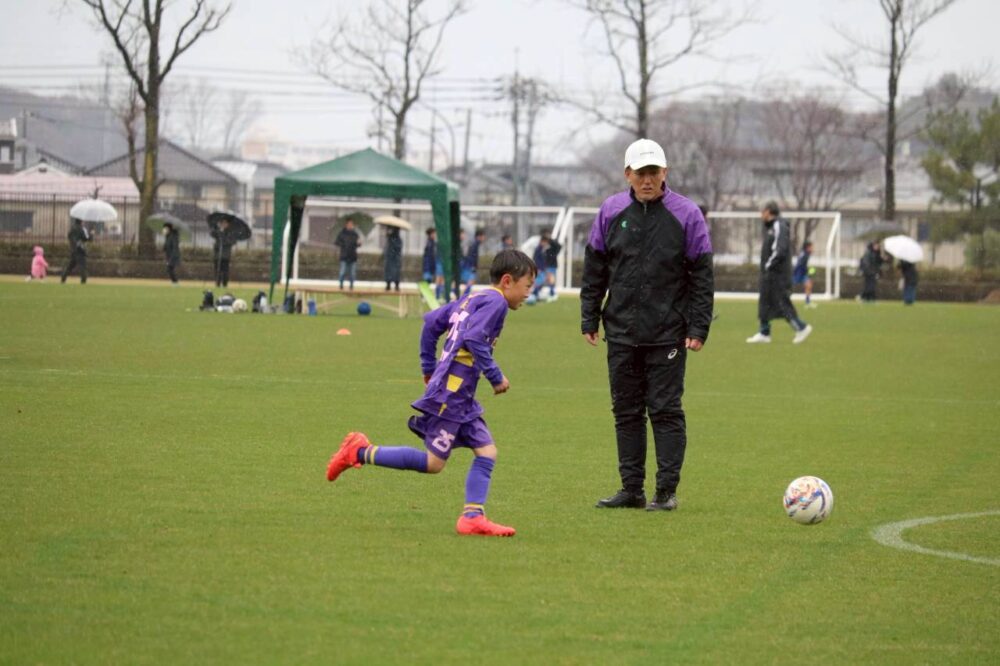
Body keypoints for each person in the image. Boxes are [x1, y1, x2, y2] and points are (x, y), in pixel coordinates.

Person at [326, 249, 537, 537]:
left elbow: (430, 323)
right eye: (527, 286)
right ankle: (360, 451)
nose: (528, 293)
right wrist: (495, 375)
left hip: (461, 396)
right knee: (433, 463)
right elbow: (474, 338)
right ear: (507, 281)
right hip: (452, 395)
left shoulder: (471, 298)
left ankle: (472, 517)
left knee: (487, 451)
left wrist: (428, 367)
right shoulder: (497, 302)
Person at [581, 138, 715, 512]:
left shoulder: (687, 214)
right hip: (621, 331)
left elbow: (702, 275)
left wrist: (698, 326)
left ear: (664, 172)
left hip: (667, 333)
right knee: (626, 412)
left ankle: (666, 492)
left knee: (665, 410)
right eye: (640, 173)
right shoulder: (610, 211)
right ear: (628, 174)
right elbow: (594, 269)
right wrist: (589, 316)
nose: (647, 179)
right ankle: (632, 489)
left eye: (653, 172)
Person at [746, 202, 813, 344]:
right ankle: (764, 332)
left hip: (778, 274)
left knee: (782, 303)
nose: (761, 214)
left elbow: (780, 250)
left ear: (769, 211)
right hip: (769, 273)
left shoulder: (779, 226)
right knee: (765, 301)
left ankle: (801, 327)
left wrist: (769, 265)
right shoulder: (770, 228)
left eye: (762, 211)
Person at [531, 230, 562, 302]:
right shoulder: (540, 248)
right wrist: (538, 267)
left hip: (550, 265)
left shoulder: (552, 245)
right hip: (544, 267)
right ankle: (537, 293)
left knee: (548, 279)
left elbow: (559, 247)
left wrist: (550, 239)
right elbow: (536, 258)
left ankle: (548, 293)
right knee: (544, 279)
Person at [60, 217, 91, 284]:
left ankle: (63, 278)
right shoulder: (82, 229)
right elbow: (86, 238)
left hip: (73, 250)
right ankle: (83, 280)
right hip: (80, 251)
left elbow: (69, 236)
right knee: (83, 266)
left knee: (70, 266)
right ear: (81, 222)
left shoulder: (72, 229)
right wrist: (91, 235)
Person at [335, 218, 362, 290]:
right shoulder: (342, 233)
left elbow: (358, 244)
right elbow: (337, 242)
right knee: (342, 272)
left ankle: (351, 286)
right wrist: (344, 245)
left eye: (351, 224)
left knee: (352, 273)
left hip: (353, 256)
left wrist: (359, 243)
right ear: (346, 225)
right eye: (349, 224)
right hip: (344, 256)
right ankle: (341, 285)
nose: (350, 226)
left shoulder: (355, 234)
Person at [210, 219, 236, 287]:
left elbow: (233, 241)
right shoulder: (218, 231)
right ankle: (217, 283)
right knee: (217, 269)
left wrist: (224, 241)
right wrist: (217, 228)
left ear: (228, 224)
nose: (223, 225)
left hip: (225, 255)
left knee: (225, 271)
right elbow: (212, 234)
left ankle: (225, 283)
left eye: (225, 223)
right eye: (222, 223)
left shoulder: (230, 232)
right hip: (217, 254)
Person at [461, 228, 485, 296]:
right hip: (469, 266)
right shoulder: (474, 244)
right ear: (479, 236)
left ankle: (464, 296)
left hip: (468, 266)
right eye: (483, 236)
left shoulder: (475, 244)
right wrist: (473, 266)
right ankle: (464, 296)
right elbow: (471, 256)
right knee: (470, 282)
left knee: (470, 282)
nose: (484, 238)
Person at [793, 240, 816, 308]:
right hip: (798, 273)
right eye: (811, 247)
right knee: (788, 287)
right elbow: (799, 264)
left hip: (803, 274)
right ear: (807, 247)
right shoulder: (804, 254)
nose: (812, 248)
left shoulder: (806, 254)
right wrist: (796, 273)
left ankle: (808, 303)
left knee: (809, 285)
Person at [383, 226, 403, 292]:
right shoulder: (392, 238)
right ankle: (390, 285)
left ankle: (394, 285)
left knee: (394, 272)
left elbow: (397, 248)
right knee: (392, 271)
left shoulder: (395, 239)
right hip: (392, 258)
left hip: (394, 258)